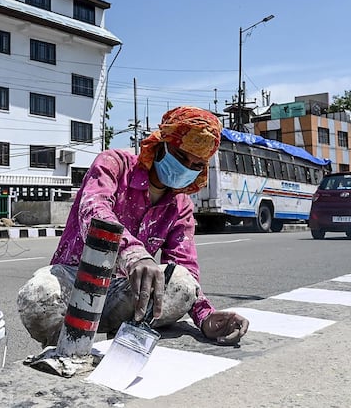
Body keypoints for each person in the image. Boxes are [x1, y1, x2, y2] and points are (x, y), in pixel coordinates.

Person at [17, 106, 249, 348]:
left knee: (183, 283)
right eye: (181, 157)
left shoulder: (180, 206)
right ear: (162, 144)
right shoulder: (114, 164)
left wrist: (205, 317)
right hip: (76, 280)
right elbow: (94, 211)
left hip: (126, 292)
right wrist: (135, 256)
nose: (186, 167)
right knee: (38, 294)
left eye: (195, 165)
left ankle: (120, 345)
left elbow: (183, 267)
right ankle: (66, 352)